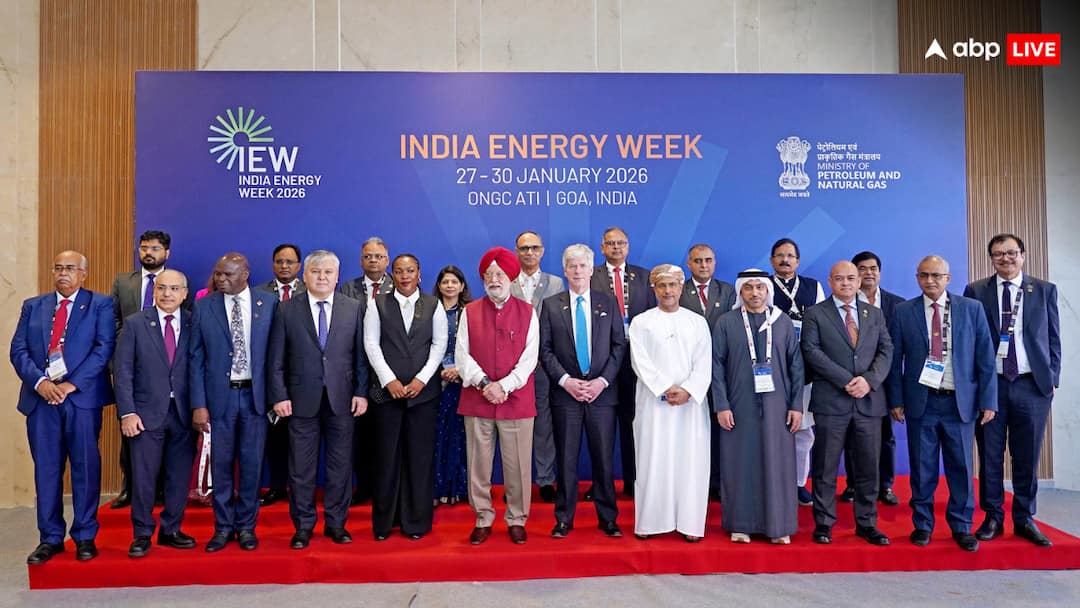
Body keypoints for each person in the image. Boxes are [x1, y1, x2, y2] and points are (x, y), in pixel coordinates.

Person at [887, 255, 997, 552]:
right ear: (917, 278)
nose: (930, 281)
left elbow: (985, 358)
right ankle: (922, 525)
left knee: (961, 467)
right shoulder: (903, 312)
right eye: (924, 275)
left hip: (959, 403)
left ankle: (961, 526)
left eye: (936, 275)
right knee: (922, 468)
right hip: (921, 402)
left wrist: (989, 400)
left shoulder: (971, 309)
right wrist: (896, 400)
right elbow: (895, 361)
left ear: (948, 278)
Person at [12, 251, 116, 564]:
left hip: (81, 399)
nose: (63, 273)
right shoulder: (33, 306)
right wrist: (40, 383)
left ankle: (84, 535)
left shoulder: (100, 304)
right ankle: (50, 538)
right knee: (46, 469)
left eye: (70, 268)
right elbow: (18, 350)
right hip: (41, 400)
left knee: (85, 467)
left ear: (84, 273)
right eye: (58, 268)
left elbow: (103, 349)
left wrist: (71, 385)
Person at [267, 250, 368, 550]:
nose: (322, 277)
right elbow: (275, 359)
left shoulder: (353, 307)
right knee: (301, 468)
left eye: (328, 272)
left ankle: (336, 524)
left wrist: (361, 392)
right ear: (305, 275)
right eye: (316, 272)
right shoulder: (286, 309)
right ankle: (303, 526)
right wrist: (279, 395)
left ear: (337, 276)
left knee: (340, 467)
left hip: (342, 400)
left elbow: (360, 356)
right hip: (300, 401)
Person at [964, 234, 1060, 547]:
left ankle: (1024, 518)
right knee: (990, 455)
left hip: (1032, 385)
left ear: (1023, 254)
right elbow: (969, 340)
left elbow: (1053, 338)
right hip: (991, 386)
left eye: (1011, 253)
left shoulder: (1044, 290)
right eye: (998, 254)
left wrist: (1053, 378)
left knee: (1026, 455)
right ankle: (993, 516)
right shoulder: (976, 291)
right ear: (991, 258)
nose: (1005, 259)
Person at [189, 253, 277, 552]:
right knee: (222, 465)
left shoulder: (268, 303)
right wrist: (199, 404)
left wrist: (276, 398)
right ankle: (223, 527)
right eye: (218, 274)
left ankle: (247, 527)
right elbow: (196, 358)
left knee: (252, 466)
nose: (220, 279)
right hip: (219, 398)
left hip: (255, 398)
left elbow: (276, 355)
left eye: (227, 274)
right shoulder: (205, 306)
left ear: (245, 273)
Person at [801, 261, 893, 546]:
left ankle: (867, 524)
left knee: (868, 467)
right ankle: (824, 523)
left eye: (851, 278)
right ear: (830, 282)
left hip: (868, 401)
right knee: (825, 466)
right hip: (832, 401)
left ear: (859, 281)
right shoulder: (815, 313)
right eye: (839, 279)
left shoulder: (873, 313)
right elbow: (811, 350)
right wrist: (846, 380)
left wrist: (868, 380)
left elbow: (886, 350)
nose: (846, 283)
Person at [540, 244, 627, 539]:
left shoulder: (608, 302)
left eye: (582, 266)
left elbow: (618, 346)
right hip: (566, 395)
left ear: (591, 269)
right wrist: (565, 381)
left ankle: (608, 519)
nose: (577, 271)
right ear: (565, 271)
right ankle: (564, 518)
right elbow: (545, 350)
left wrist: (602, 381)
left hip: (602, 395)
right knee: (566, 461)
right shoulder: (551, 305)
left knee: (603, 459)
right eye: (572, 266)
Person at [711, 270, 803, 544]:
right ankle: (741, 524)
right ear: (741, 292)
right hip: (738, 406)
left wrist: (796, 406)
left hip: (778, 406)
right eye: (749, 288)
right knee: (740, 462)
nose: (755, 293)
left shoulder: (782, 322)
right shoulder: (726, 322)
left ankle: (779, 525)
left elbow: (796, 366)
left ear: (767, 291)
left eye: (760, 287)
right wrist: (722, 405)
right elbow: (716, 366)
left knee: (778, 463)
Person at [456, 247, 540, 545]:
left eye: (500, 274)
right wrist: (484, 383)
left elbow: (530, 358)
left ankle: (517, 518)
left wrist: (504, 386)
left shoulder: (528, 312)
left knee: (518, 466)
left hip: (516, 400)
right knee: (478, 464)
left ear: (511, 278)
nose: (494, 279)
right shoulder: (469, 311)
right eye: (489, 274)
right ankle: (482, 517)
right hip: (477, 398)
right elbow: (462, 354)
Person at [113, 269, 196, 557]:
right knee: (144, 477)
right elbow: (123, 372)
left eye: (174, 289)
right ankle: (142, 533)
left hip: (184, 414)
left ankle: (171, 529)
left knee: (178, 476)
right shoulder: (136, 323)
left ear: (184, 294)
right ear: (154, 291)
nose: (167, 294)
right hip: (145, 415)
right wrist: (127, 412)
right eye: (161, 288)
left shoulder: (194, 322)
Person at [364, 254, 448, 540]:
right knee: (386, 459)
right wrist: (389, 380)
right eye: (399, 271)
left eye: (410, 270)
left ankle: (416, 522)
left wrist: (421, 379)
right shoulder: (377, 304)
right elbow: (371, 344)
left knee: (419, 459)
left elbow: (439, 345)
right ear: (393, 275)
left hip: (423, 396)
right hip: (387, 396)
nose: (404, 276)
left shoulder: (433, 304)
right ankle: (384, 524)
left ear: (419, 274)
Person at [629, 264, 712, 542]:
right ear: (654, 289)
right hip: (654, 403)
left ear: (681, 288)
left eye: (673, 285)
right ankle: (650, 522)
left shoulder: (697, 322)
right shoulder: (641, 322)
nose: (668, 291)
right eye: (662, 285)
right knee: (652, 458)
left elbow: (704, 362)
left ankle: (689, 523)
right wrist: (664, 388)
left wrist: (687, 390)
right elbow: (639, 361)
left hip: (690, 406)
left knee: (690, 461)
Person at [109, 229, 190, 509]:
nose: (148, 253)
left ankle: (168, 512)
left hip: (177, 398)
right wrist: (124, 351)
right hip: (137, 375)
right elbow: (114, 320)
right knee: (135, 450)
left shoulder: (184, 305)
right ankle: (130, 492)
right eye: (144, 247)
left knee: (175, 464)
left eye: (155, 248)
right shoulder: (124, 283)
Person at [590, 226, 655, 499]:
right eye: (611, 243)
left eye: (621, 243)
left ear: (628, 246)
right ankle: (601, 485)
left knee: (633, 424)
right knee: (600, 429)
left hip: (636, 361)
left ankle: (633, 481)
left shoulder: (644, 276)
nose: (616, 247)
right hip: (601, 361)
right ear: (602, 247)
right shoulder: (590, 275)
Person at [839, 251, 905, 506]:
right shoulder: (843, 304)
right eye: (862, 268)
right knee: (852, 435)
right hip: (852, 380)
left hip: (884, 380)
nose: (868, 273)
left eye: (873, 268)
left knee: (886, 435)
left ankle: (885, 485)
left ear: (880, 272)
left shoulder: (897, 304)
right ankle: (853, 483)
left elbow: (897, 347)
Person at [769, 237, 825, 507]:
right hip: (771, 369)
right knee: (772, 430)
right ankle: (772, 482)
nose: (785, 260)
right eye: (780, 255)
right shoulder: (761, 286)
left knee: (803, 430)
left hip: (806, 368)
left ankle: (799, 483)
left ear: (798, 261)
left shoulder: (813, 287)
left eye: (790, 256)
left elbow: (824, 323)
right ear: (772, 261)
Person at [510, 230, 565, 504]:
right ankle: (515, 483)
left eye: (534, 248)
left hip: (544, 367)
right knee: (513, 427)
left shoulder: (556, 283)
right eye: (524, 248)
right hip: (513, 369)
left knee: (544, 424)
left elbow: (560, 325)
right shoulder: (506, 283)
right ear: (517, 252)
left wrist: (544, 355)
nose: (529, 253)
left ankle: (545, 479)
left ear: (542, 251)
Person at [680, 242, 736, 502]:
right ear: (688, 264)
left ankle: (719, 482)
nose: (703, 265)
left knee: (721, 429)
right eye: (698, 260)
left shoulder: (728, 291)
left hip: (722, 370)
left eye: (708, 260)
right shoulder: (679, 290)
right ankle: (695, 483)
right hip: (688, 371)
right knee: (692, 430)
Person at [339, 236, 392, 506]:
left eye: (378, 256)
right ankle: (363, 487)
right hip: (355, 374)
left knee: (386, 437)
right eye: (368, 256)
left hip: (389, 374)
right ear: (361, 261)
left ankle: (386, 489)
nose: (373, 260)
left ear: (387, 260)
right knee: (359, 437)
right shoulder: (347, 289)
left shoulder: (399, 286)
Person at [259, 243, 305, 508]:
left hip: (305, 376)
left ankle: (300, 488)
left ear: (299, 265)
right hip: (270, 375)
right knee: (275, 438)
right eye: (279, 261)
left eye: (290, 262)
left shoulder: (311, 290)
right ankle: (277, 486)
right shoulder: (258, 294)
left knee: (303, 438)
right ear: (273, 264)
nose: (284, 266)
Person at [432, 265, 470, 507]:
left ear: (462, 286)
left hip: (462, 382)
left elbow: (476, 347)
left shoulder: (469, 312)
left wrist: (459, 371)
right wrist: (439, 372)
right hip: (433, 382)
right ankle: (435, 489)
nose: (449, 286)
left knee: (458, 436)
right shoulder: (428, 310)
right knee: (435, 436)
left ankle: (457, 488)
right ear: (439, 285)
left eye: (454, 282)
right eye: (445, 282)